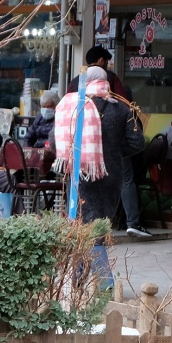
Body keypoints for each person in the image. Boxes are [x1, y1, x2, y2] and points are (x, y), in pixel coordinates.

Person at [55, 66, 144, 227]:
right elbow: (137, 142)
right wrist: (112, 152)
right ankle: (98, 250)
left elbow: (55, 141)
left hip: (79, 174)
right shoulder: (122, 108)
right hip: (111, 173)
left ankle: (85, 252)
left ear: (86, 81)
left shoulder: (72, 106)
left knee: (79, 224)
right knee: (102, 225)